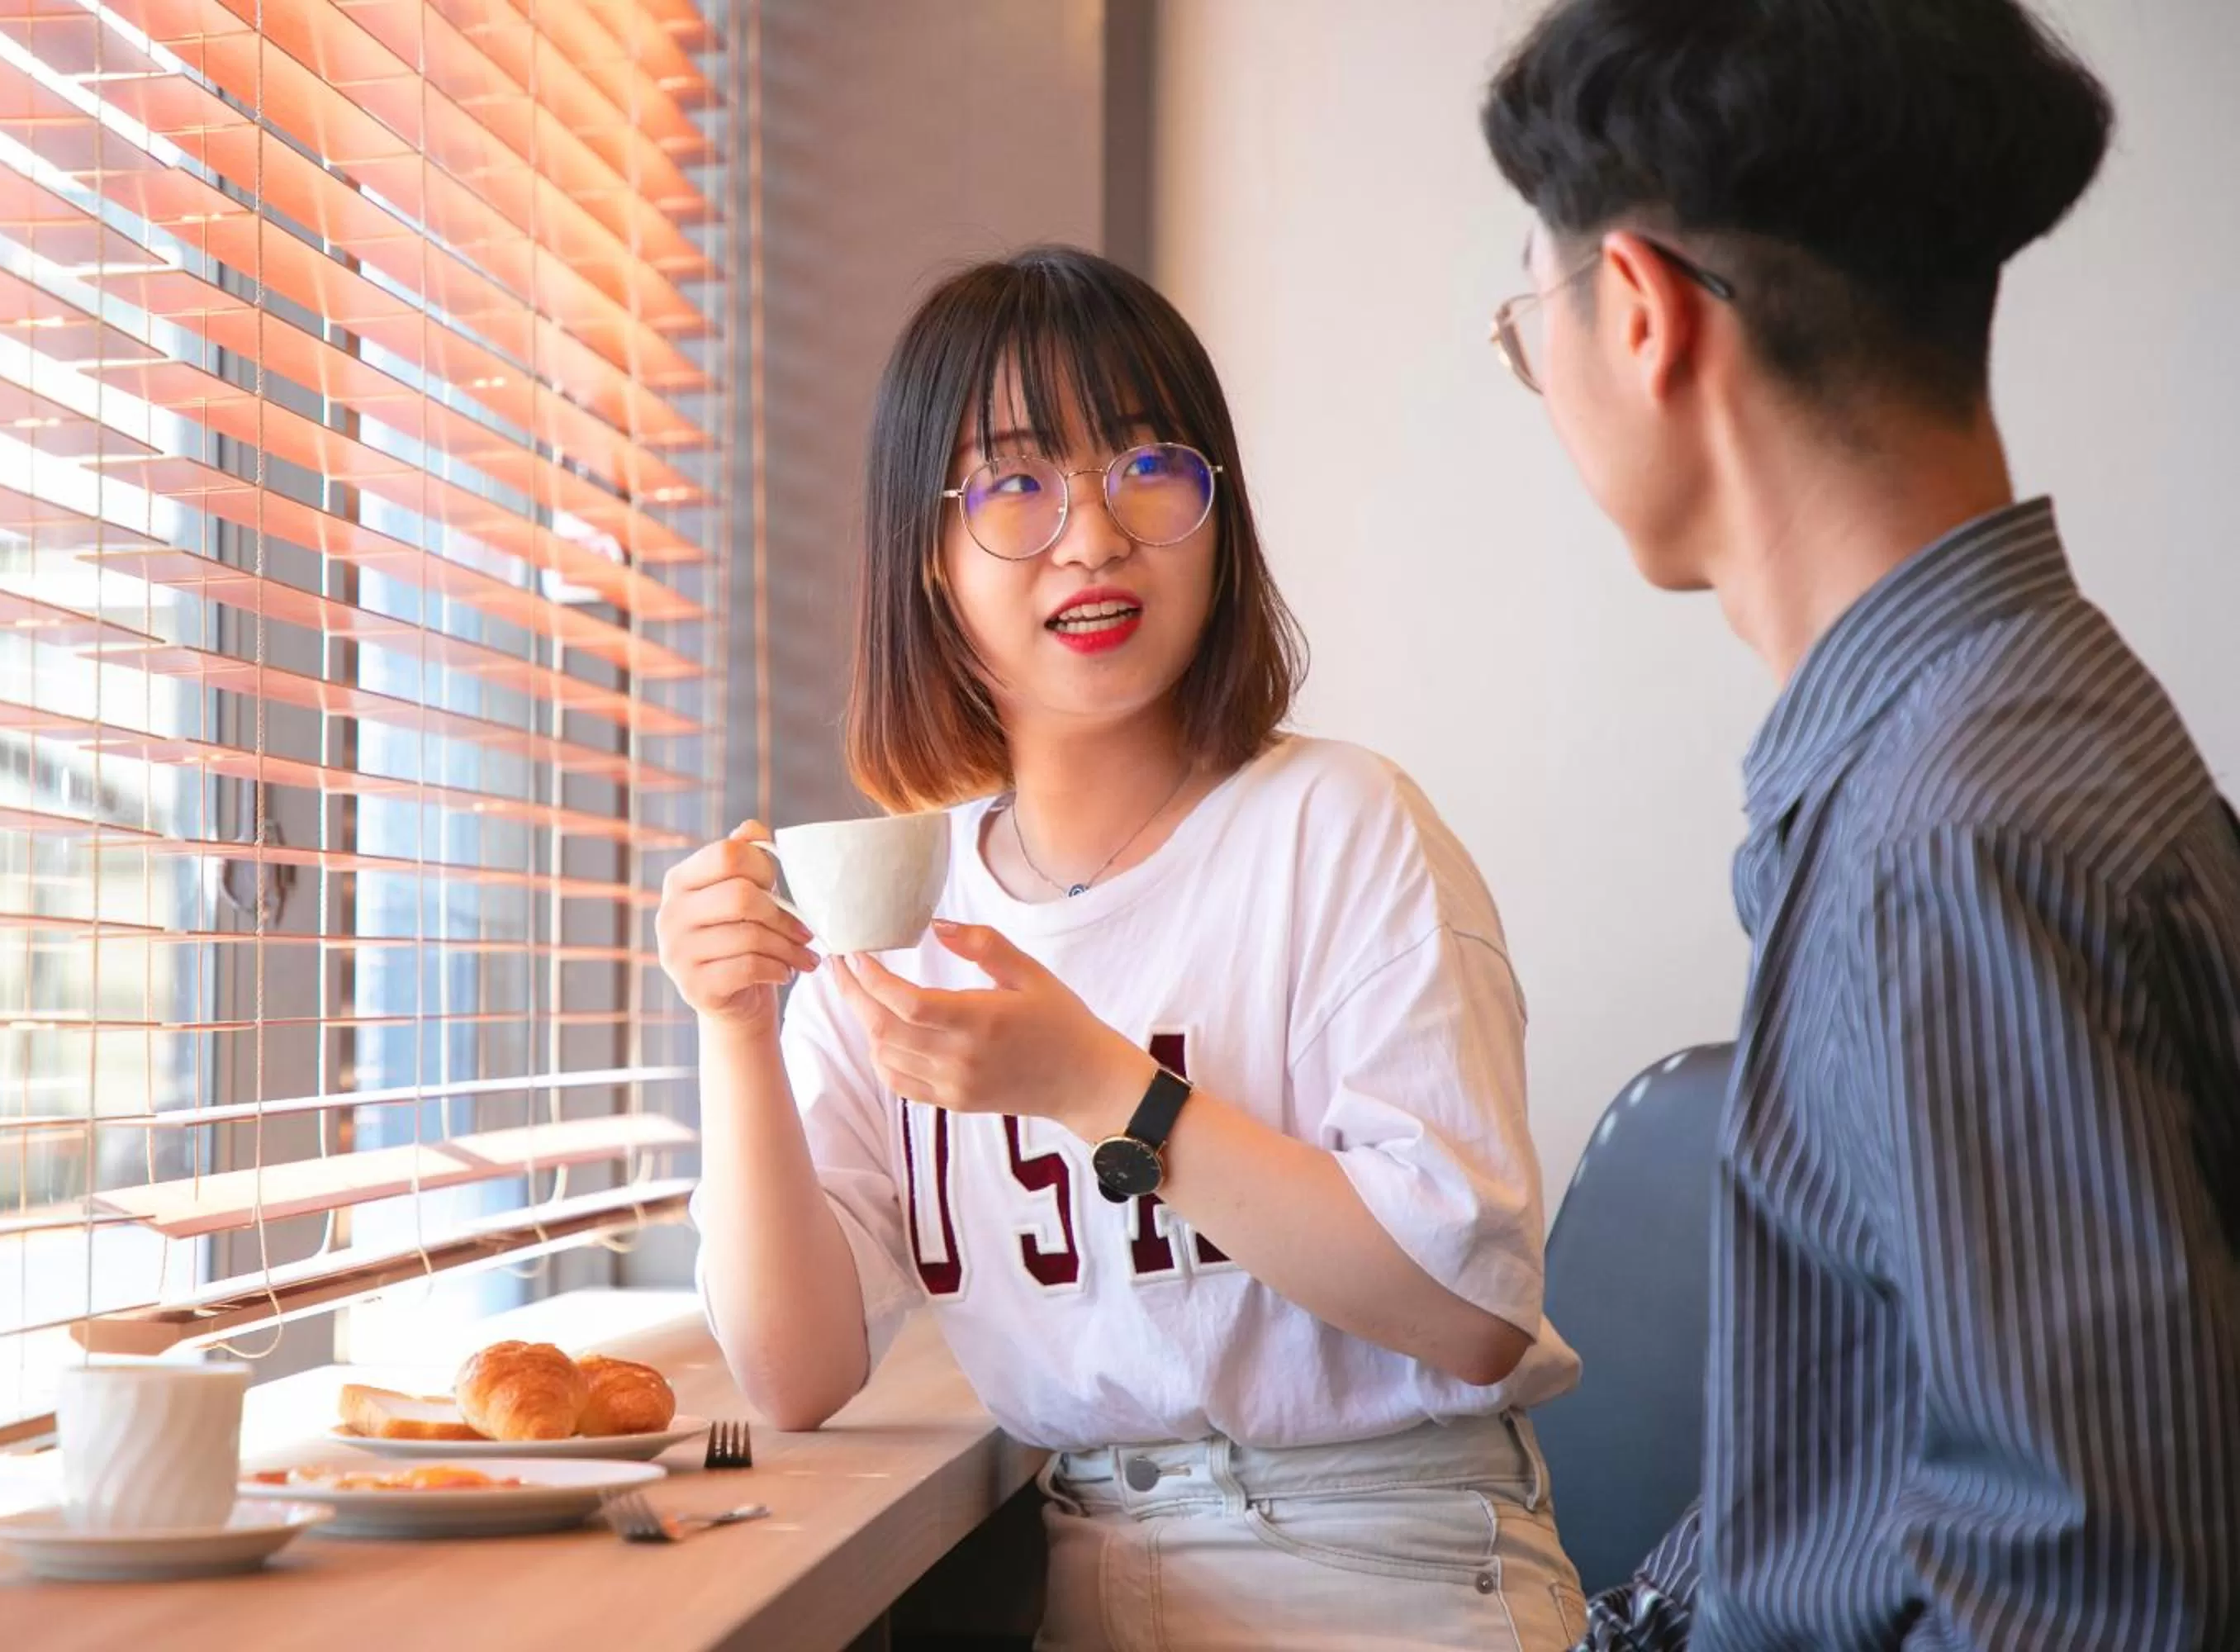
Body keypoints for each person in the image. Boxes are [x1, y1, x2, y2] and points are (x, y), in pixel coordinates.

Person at [661, 246, 1587, 1649]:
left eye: (1149, 465)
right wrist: (733, 1026)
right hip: (1101, 1576)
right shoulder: (898, 907)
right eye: (1018, 483)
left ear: (1218, 514)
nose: (1092, 537)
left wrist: (1108, 1091)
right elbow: (793, 1374)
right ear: (931, 555)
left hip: (1391, 1566)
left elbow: (1469, 1313)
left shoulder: (1338, 826)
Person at [1479, 2, 2240, 1647]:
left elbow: (2087, 1601)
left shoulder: (1952, 837)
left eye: (1521, 322)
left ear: (1638, 312)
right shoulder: (2015, 722)